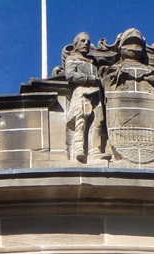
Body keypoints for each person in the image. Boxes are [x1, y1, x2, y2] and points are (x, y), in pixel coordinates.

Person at [63, 32, 105, 163]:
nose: (86, 43)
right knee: (80, 119)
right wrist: (90, 79)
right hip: (82, 91)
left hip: (95, 94)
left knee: (97, 121)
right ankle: (79, 148)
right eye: (82, 41)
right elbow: (70, 75)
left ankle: (95, 150)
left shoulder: (93, 62)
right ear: (76, 44)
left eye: (87, 41)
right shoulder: (72, 59)